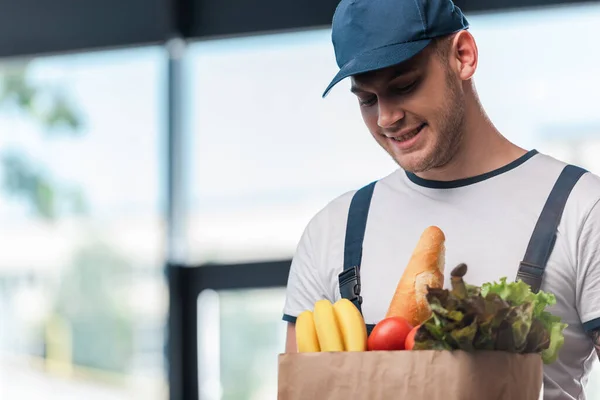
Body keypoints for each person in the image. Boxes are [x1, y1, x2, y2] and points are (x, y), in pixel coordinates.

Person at [280, 0, 600, 398]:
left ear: (463, 56)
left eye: (404, 86)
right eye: (367, 99)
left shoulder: (582, 210)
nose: (386, 118)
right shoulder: (333, 230)